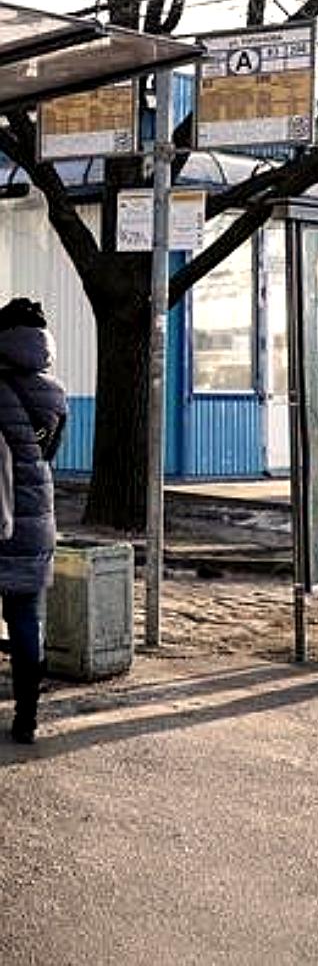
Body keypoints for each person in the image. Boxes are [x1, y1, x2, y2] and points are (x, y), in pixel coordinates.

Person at [0, 297, 67, 744]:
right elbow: (48, 454)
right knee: (25, 618)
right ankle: (27, 714)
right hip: (35, 517)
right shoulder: (55, 392)